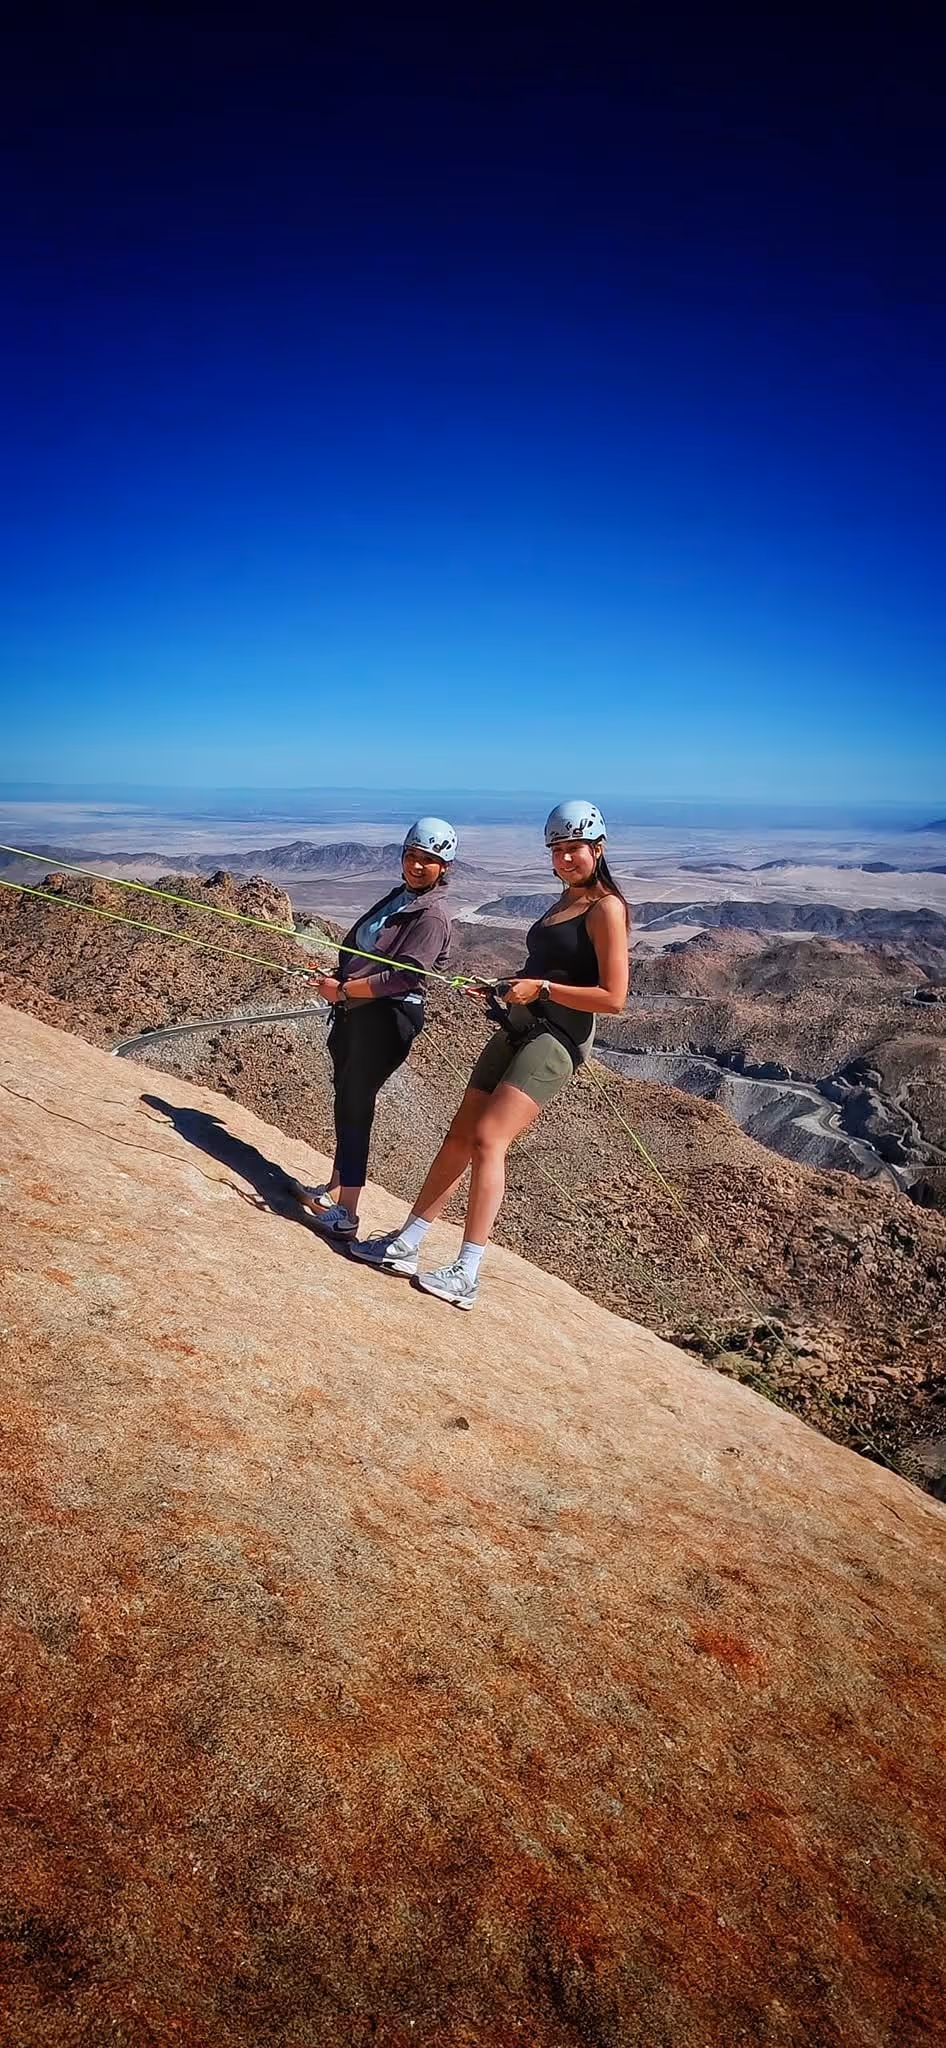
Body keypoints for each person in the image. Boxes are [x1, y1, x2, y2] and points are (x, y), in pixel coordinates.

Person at [350, 799, 629, 1307]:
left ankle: (468, 1271)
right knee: (459, 1133)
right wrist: (503, 988)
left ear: (599, 848)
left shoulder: (606, 907)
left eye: (575, 850)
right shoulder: (563, 901)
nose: (565, 859)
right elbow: (545, 970)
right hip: (521, 1025)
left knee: (487, 1139)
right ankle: (408, 1242)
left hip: (557, 1040)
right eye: (558, 850)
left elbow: (613, 998)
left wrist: (540, 989)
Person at [294, 817, 458, 1241]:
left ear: (445, 867)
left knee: (356, 1105)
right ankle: (334, 1189)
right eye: (412, 856)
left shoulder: (432, 916)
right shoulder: (401, 898)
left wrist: (345, 991)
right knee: (346, 1098)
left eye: (429, 860)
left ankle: (347, 1212)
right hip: (359, 1013)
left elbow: (404, 978)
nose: (417, 866)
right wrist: (339, 980)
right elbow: (368, 951)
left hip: (385, 1019)